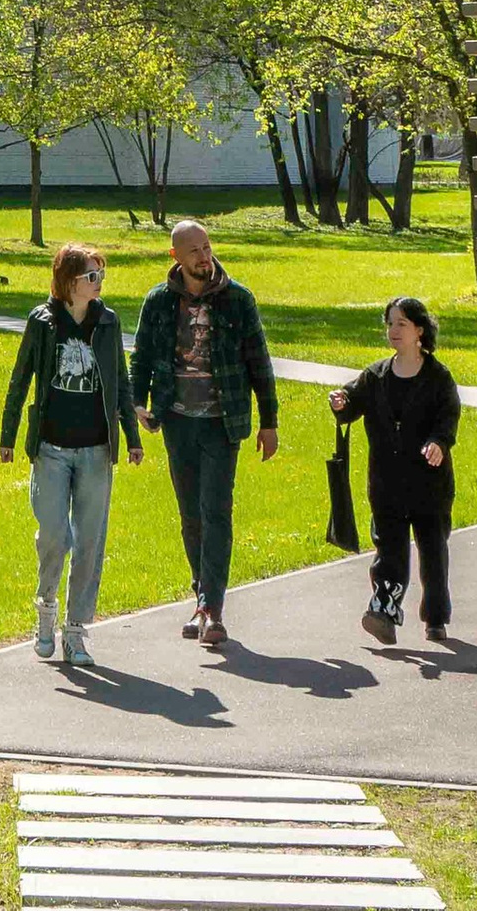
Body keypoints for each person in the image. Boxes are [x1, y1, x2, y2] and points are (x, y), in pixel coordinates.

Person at [129, 216, 279, 653]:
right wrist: (138, 403)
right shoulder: (158, 302)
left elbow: (260, 364)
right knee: (191, 514)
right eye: (193, 250)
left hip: (221, 421)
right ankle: (201, 596)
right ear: (175, 256)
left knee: (216, 510)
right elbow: (141, 357)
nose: (203, 256)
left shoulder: (237, 299)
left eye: (207, 247)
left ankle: (212, 608)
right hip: (177, 420)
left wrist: (269, 422)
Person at [0, 242, 144, 668]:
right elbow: (20, 378)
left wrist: (131, 437)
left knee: (89, 543)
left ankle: (77, 631)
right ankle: (46, 610)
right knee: (55, 537)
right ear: (68, 282)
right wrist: (8, 436)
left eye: (101, 275)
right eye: (91, 276)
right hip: (52, 449)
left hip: (96, 450)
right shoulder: (43, 322)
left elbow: (120, 381)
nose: (99, 283)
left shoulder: (108, 322)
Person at [329, 295, 460, 642]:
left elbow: (448, 419)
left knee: (433, 552)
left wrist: (439, 444)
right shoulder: (375, 376)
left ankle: (435, 618)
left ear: (419, 330)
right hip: (386, 483)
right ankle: (384, 613)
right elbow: (351, 403)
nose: (393, 330)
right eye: (389, 323)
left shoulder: (438, 377)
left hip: (429, 485)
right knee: (390, 551)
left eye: (401, 323)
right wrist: (341, 402)